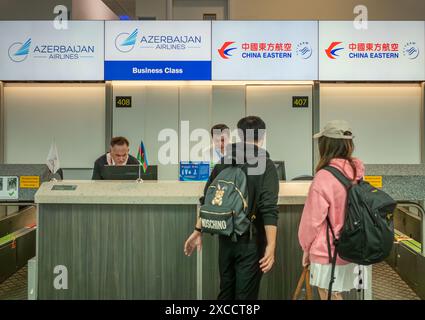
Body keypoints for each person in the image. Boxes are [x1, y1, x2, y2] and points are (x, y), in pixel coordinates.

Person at [184, 116, 279, 300]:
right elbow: (268, 208)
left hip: (225, 237)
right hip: (250, 239)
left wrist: (198, 230)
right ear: (262, 136)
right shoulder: (265, 164)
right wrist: (272, 244)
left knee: (226, 292)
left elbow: (208, 199)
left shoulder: (224, 161)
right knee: (245, 297)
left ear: (239, 134)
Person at [298, 120, 369, 300]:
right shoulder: (358, 172)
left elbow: (312, 221)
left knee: (328, 294)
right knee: (337, 294)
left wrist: (306, 248)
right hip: (355, 246)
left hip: (329, 251)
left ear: (326, 145)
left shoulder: (324, 176)